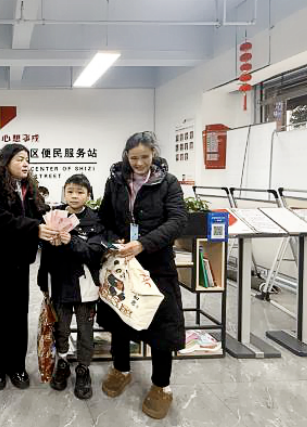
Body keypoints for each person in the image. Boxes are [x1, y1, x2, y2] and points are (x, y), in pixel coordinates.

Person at [97, 131, 187, 420]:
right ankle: (121, 369)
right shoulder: (115, 181)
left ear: (153, 155)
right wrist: (116, 240)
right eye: (133, 157)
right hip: (123, 261)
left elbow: (178, 220)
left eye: (144, 157)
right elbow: (104, 218)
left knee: (161, 324)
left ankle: (161, 386)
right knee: (120, 317)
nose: (139, 163)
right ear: (126, 155)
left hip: (157, 263)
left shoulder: (168, 182)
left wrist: (144, 243)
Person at [0, 143, 57, 391]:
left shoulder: (28, 187)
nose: (25, 163)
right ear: (6, 161)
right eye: (20, 158)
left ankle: (17, 366)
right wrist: (35, 228)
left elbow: (39, 212)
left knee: (18, 315)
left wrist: (57, 221)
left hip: (20, 262)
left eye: (27, 159)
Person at [37, 174, 104, 400]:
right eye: (70, 191)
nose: (75, 196)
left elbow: (94, 253)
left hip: (87, 287)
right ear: (64, 193)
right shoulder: (54, 216)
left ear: (88, 195)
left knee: (86, 331)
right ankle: (63, 363)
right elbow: (45, 256)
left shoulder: (95, 220)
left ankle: (83, 369)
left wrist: (71, 240)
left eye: (80, 192)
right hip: (60, 285)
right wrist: (42, 281)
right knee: (61, 329)